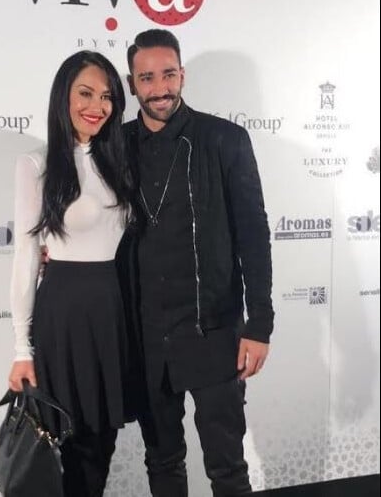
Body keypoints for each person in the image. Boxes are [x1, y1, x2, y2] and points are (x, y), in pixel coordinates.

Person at [120, 29, 274, 497]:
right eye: (147, 78)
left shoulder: (225, 139)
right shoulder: (116, 146)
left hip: (214, 331)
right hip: (146, 338)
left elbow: (253, 232)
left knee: (227, 467)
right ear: (132, 85)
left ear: (182, 74)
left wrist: (260, 323)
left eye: (168, 74)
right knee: (162, 461)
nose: (160, 87)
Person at [7, 50, 136, 497]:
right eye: (85, 93)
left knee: (103, 441)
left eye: (107, 97)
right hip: (63, 312)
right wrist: (22, 349)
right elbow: (25, 255)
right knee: (70, 442)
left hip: (112, 310)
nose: (96, 106)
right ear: (63, 95)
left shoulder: (118, 161)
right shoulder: (35, 164)